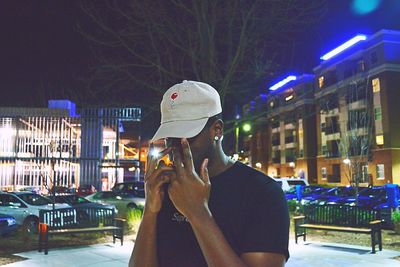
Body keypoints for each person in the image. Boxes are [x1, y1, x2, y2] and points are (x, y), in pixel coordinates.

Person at [130, 80, 289, 267]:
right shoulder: (165, 188)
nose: (175, 146)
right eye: (170, 136)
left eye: (186, 135)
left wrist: (198, 213)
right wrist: (150, 209)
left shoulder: (262, 193)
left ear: (217, 130)